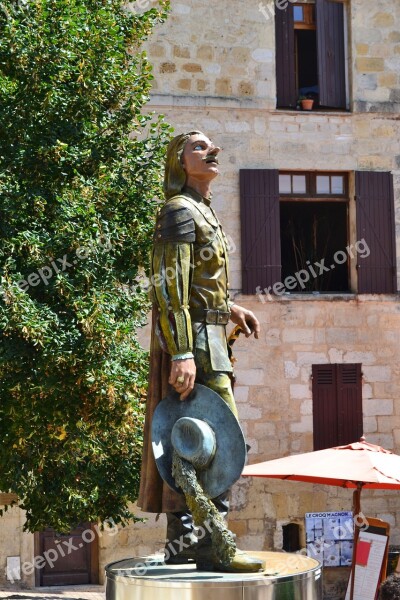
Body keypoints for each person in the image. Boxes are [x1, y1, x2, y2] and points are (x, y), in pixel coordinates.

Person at [138, 130, 261, 571]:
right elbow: (171, 289)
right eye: (198, 147)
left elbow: (199, 284)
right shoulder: (177, 211)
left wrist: (230, 309)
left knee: (194, 437)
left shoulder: (203, 211)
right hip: (195, 345)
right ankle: (211, 541)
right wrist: (182, 352)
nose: (212, 151)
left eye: (211, 146)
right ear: (179, 162)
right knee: (218, 440)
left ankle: (187, 538)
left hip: (211, 339)